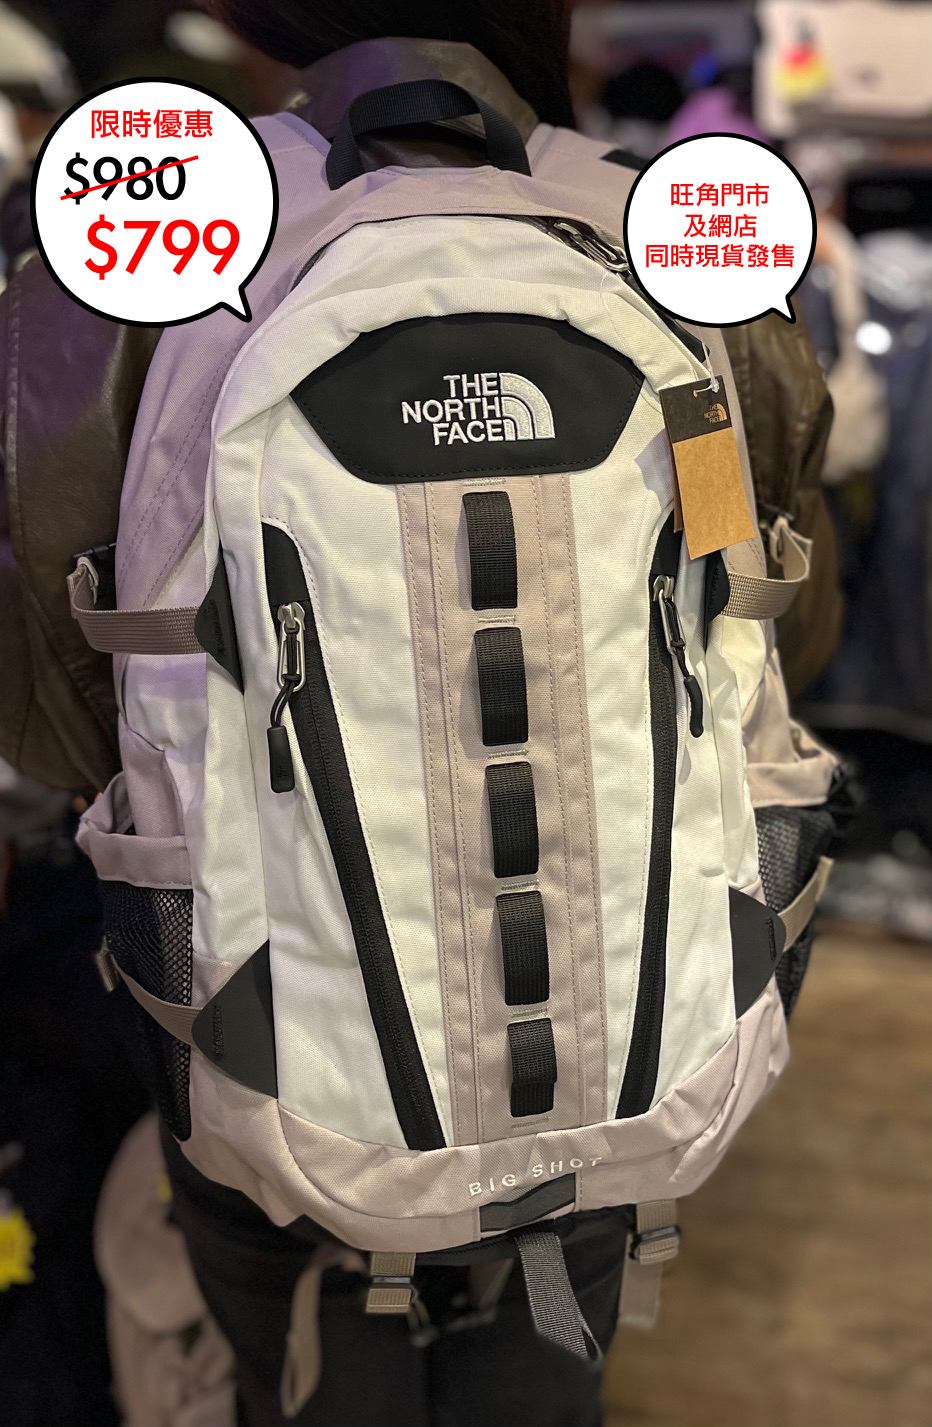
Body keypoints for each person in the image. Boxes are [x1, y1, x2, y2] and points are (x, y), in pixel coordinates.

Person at [0, 4, 841, 1424]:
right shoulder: (676, 249)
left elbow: (47, 702)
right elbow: (781, 634)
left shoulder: (133, 271)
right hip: (639, 1021)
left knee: (298, 1350)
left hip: (266, 1035)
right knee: (557, 1320)